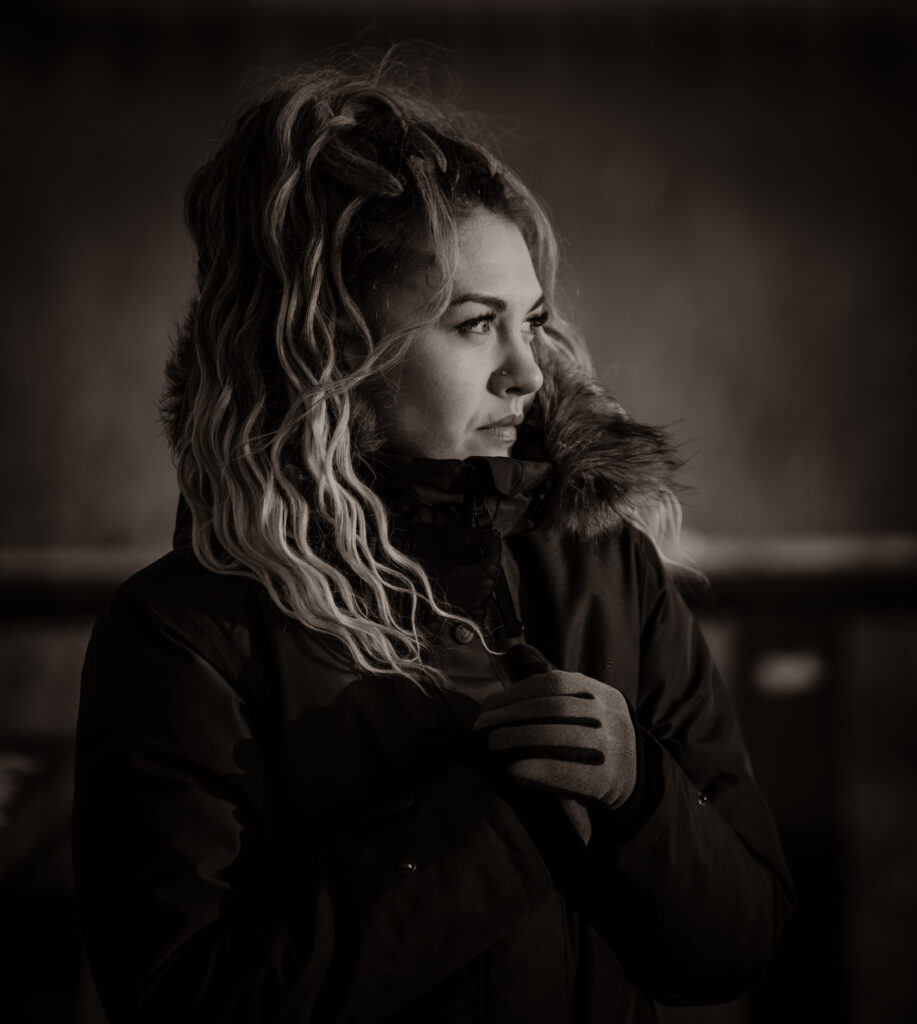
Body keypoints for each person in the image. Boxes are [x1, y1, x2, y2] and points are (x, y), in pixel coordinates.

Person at [73, 59, 794, 1023]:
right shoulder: (188, 636)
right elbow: (181, 1001)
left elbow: (738, 945)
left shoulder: (604, 567)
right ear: (334, 346)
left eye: (532, 320)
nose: (527, 372)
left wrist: (638, 795)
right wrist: (499, 828)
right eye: (474, 324)